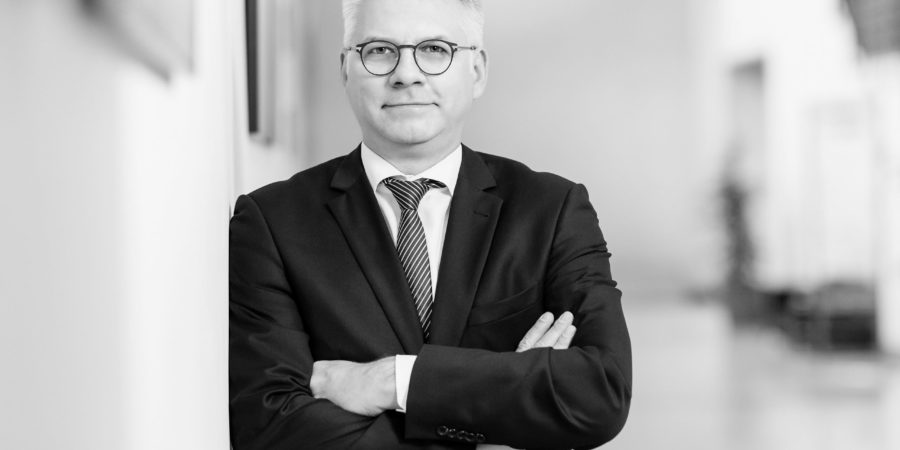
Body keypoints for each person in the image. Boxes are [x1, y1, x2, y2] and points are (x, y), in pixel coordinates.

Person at [229, 0, 632, 448]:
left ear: (476, 70)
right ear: (345, 69)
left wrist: (395, 381)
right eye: (379, 50)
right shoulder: (271, 222)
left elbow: (601, 392)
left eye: (435, 49)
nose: (406, 74)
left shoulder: (552, 210)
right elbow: (269, 425)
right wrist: (500, 413)